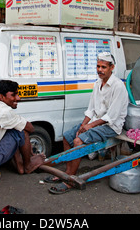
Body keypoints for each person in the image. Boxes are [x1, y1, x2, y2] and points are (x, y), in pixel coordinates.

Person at [46, 52, 129, 194]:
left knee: (78, 141)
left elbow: (111, 116)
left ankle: (70, 180)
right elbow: (91, 110)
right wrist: (83, 125)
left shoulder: (118, 86)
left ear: (112, 67)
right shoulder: (98, 84)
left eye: (103, 67)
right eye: (98, 66)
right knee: (67, 136)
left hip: (111, 126)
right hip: (96, 122)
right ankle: (66, 172)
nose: (100, 70)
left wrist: (89, 126)